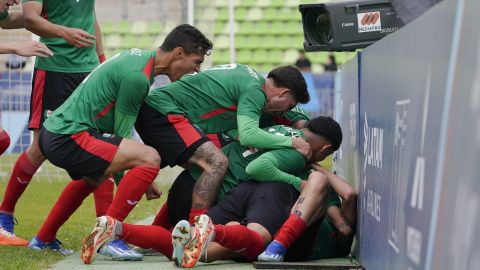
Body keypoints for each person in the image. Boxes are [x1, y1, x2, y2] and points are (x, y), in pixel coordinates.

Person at [24, 24, 211, 262]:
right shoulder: (137, 78)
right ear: (178, 53)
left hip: (58, 133)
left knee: (95, 177)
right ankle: (110, 237)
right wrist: (143, 179)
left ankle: (43, 239)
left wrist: (141, 178)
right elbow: (122, 136)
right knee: (149, 157)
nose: (196, 70)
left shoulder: (137, 59)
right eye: (196, 62)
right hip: (69, 135)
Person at [81, 116, 339, 267]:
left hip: (204, 184)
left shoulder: (271, 129)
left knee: (187, 249)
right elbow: (343, 206)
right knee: (256, 238)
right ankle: (218, 232)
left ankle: (116, 228)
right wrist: (310, 176)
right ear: (325, 149)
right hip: (268, 191)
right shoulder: (300, 157)